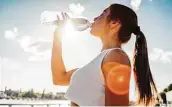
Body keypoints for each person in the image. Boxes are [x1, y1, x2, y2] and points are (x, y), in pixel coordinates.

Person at [51, 3, 159, 106]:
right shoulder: (99, 61)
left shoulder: (116, 56)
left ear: (114, 23)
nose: (94, 18)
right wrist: (57, 36)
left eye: (102, 14)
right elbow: (59, 78)